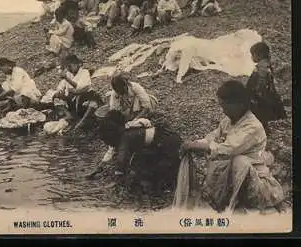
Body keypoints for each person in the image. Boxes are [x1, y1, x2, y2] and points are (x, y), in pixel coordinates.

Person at [179, 80, 285, 213]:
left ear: (238, 104)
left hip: (256, 183)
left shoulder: (252, 126)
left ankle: (239, 204)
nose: (223, 110)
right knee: (224, 162)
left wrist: (196, 146)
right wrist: (196, 143)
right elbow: (212, 137)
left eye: (224, 105)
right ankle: (227, 201)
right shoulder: (229, 121)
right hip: (232, 179)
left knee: (239, 161)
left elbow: (228, 149)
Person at [88, 110, 182, 191]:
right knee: (139, 164)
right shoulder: (127, 129)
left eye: (106, 140)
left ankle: (167, 187)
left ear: (111, 136)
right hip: (161, 139)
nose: (107, 143)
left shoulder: (125, 138)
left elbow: (122, 159)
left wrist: (118, 176)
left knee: (164, 169)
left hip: (167, 142)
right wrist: (99, 168)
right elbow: (111, 152)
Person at [52, 54, 103, 130]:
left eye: (70, 66)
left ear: (77, 64)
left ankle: (82, 120)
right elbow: (61, 86)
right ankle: (69, 115)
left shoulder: (84, 72)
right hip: (73, 99)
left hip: (85, 96)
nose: (69, 69)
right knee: (55, 98)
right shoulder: (68, 74)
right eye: (67, 67)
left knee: (92, 102)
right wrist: (59, 91)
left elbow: (80, 87)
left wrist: (67, 80)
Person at [246, 42, 287, 134]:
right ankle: (264, 128)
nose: (252, 57)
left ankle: (262, 130)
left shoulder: (262, 68)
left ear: (259, 55)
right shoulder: (267, 64)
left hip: (261, 95)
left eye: (253, 55)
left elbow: (261, 82)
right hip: (267, 93)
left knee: (259, 111)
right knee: (262, 113)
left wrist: (256, 94)